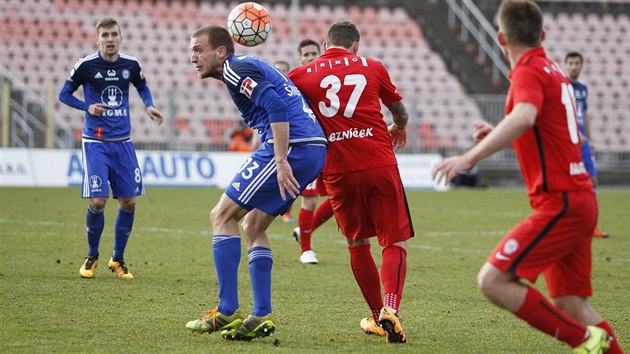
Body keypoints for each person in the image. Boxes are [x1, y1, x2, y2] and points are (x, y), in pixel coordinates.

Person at [431, 2, 622, 353]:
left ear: (501, 38)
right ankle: (597, 341)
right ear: (542, 35)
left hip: (561, 203)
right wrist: (499, 132)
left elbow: (525, 116)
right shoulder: (553, 68)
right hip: (581, 200)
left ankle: (585, 341)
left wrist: (468, 157)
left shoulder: (528, 70)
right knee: (570, 304)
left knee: (492, 281)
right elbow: (544, 129)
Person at [185, 25, 327, 341]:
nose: (192, 57)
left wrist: (278, 159)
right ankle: (261, 315)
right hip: (312, 148)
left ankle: (225, 311)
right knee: (253, 226)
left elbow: (276, 107)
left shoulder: (235, 68)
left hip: (294, 147)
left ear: (220, 52)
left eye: (198, 50)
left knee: (221, 216)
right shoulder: (243, 66)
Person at [289, 21, 412, 343]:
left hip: (339, 168)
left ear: (324, 43)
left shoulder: (301, 75)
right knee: (393, 242)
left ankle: (376, 317)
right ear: (355, 45)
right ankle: (391, 309)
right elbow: (398, 109)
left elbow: (284, 111)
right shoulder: (372, 66)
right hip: (379, 161)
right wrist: (399, 126)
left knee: (358, 244)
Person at [58, 18, 163, 280]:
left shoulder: (131, 64)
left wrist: (148, 104)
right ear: (98, 39)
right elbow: (64, 94)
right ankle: (92, 255)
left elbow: (141, 84)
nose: (110, 39)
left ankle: (117, 259)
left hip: (123, 142)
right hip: (95, 141)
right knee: (98, 200)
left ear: (121, 37)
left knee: (129, 201)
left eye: (114, 34)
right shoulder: (86, 65)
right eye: (105, 35)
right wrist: (87, 107)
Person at [291, 38, 337, 264]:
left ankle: (302, 230)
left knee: (341, 197)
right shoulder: (295, 81)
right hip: (308, 145)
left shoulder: (327, 81)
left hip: (333, 145)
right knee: (308, 201)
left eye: (313, 54)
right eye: (305, 54)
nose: (310, 58)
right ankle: (306, 250)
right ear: (299, 58)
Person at [564, 52, 609, 238]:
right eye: (571, 63)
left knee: (592, 180)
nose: (574, 66)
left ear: (581, 65)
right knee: (567, 182)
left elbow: (585, 113)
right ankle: (567, 225)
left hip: (582, 139)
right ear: (565, 65)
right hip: (567, 138)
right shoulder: (561, 85)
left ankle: (591, 227)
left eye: (577, 63)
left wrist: (589, 139)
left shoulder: (583, 87)